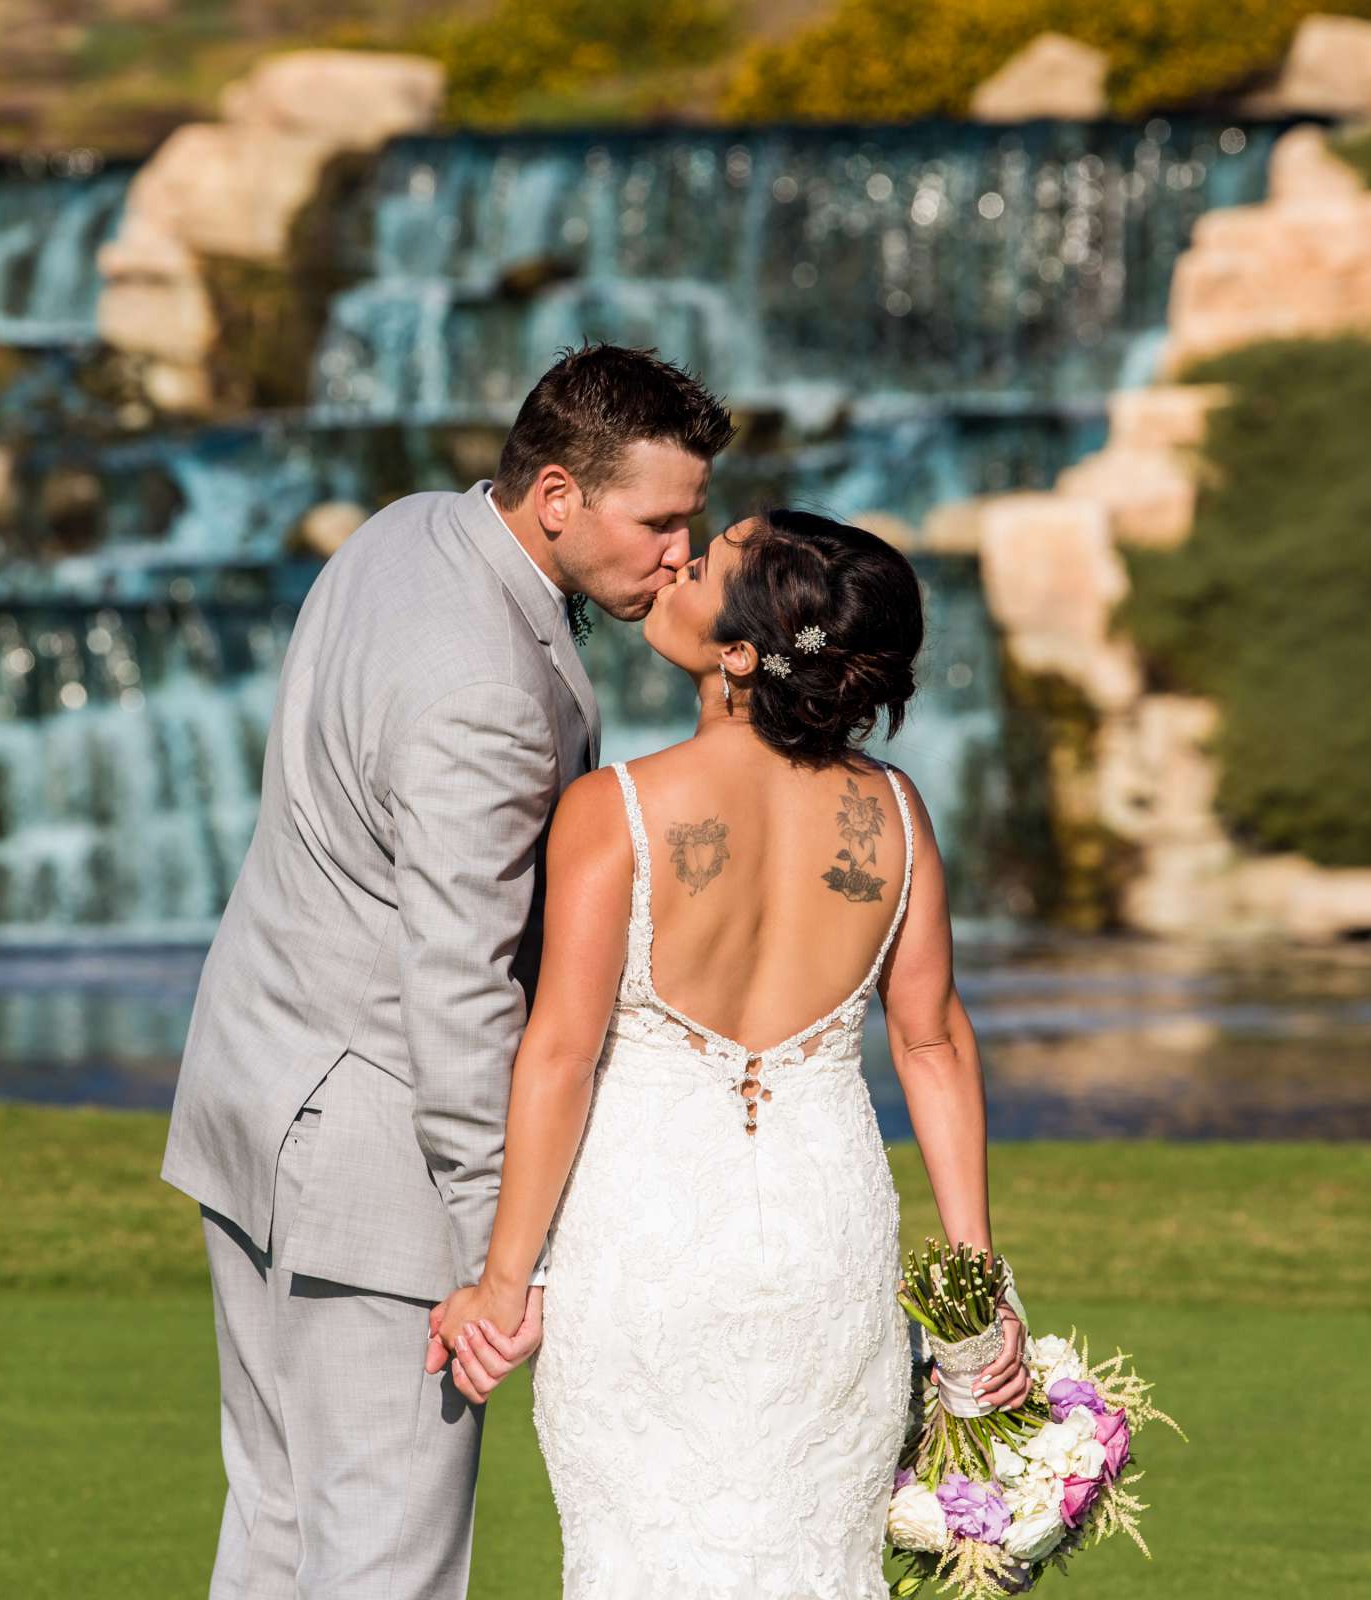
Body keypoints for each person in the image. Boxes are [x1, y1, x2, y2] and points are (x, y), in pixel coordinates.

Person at [161, 343, 733, 1598]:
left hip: (252, 1094)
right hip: (366, 1165)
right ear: (557, 497)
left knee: (274, 1524)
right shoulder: (485, 691)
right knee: (384, 1563)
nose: (683, 553)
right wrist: (499, 1259)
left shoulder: (411, 526)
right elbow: (460, 989)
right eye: (662, 521)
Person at [429, 508, 1027, 1598]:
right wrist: (972, 1284)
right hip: (825, 1239)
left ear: (741, 653)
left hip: (644, 1244)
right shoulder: (897, 812)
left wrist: (503, 1280)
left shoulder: (613, 811)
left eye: (705, 565)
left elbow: (559, 1055)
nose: (677, 563)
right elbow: (932, 1042)